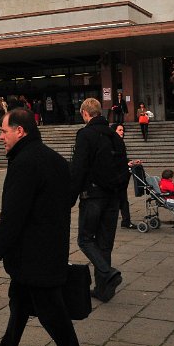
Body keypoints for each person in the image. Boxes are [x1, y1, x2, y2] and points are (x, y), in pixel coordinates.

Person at [0, 109, 84, 346]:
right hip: (50, 247)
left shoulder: (25, 163)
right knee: (20, 302)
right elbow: (69, 197)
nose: (1, 137)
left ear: (20, 131)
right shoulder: (54, 159)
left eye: (4, 131)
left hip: (34, 255)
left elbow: (12, 217)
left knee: (54, 317)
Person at [70, 97, 124, 303]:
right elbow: (123, 167)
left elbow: (79, 168)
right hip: (113, 196)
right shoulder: (114, 136)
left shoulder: (85, 135)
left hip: (93, 195)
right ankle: (103, 289)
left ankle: (107, 273)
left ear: (85, 113)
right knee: (104, 244)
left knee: (84, 239)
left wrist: (71, 197)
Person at [112, 124, 139, 229]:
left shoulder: (119, 143)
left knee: (123, 199)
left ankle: (126, 221)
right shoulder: (111, 144)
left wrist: (131, 162)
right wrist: (125, 164)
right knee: (118, 200)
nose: (122, 132)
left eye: (123, 130)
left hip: (122, 176)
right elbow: (113, 160)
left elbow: (122, 159)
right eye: (120, 130)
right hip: (116, 177)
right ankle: (124, 221)